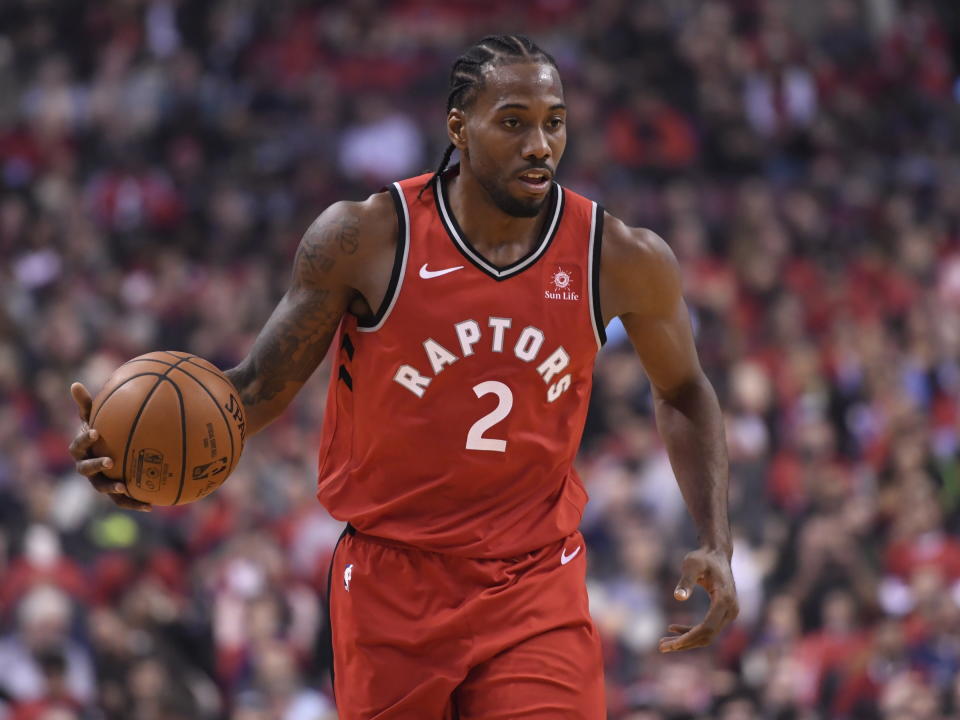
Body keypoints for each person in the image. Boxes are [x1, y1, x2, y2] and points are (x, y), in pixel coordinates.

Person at [69, 34, 738, 719]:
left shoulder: (618, 256)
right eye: (513, 121)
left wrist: (716, 537)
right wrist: (137, 460)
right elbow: (250, 393)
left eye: (554, 121)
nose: (540, 143)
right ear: (458, 127)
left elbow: (684, 389)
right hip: (392, 582)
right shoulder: (366, 238)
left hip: (534, 578)